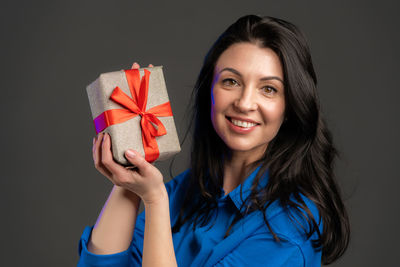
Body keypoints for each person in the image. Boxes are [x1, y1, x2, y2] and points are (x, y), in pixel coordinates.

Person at [77, 15, 350, 266]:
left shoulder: (290, 229)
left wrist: (154, 199)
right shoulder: (184, 190)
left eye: (269, 89)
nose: (244, 103)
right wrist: (129, 170)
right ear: (210, 91)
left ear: (290, 107)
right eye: (231, 82)